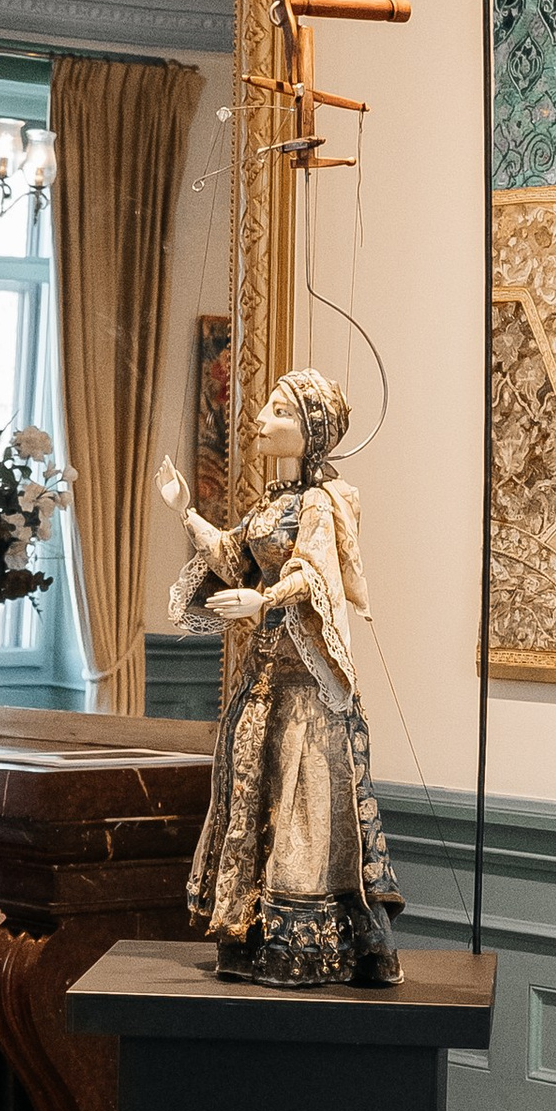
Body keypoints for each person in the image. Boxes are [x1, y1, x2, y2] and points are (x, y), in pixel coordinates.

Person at [167, 364, 403, 986]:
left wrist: (263, 600)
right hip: (265, 674)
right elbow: (233, 556)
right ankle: (251, 938)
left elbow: (314, 574)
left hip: (305, 683)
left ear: (311, 429)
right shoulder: (273, 503)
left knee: (305, 804)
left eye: (278, 411)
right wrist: (186, 512)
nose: (261, 420)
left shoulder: (324, 503)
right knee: (255, 792)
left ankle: (306, 945)